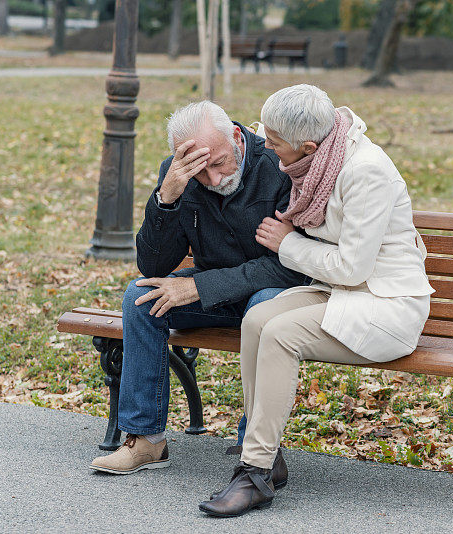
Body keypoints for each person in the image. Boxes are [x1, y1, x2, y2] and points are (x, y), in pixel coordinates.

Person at [199, 85, 434, 517]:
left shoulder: (366, 172)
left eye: (273, 142)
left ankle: (254, 471)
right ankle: (269, 455)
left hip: (387, 305)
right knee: (257, 321)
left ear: (307, 146)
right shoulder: (319, 163)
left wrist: (288, 244)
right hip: (345, 295)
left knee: (281, 334)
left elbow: (352, 268)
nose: (264, 146)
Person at [89, 101, 308, 475]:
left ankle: (254, 447)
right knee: (139, 298)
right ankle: (145, 441)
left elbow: (292, 266)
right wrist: (167, 197)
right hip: (216, 298)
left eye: (219, 162)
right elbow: (154, 266)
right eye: (198, 170)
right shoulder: (177, 174)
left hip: (270, 291)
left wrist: (198, 287)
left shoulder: (277, 167)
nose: (213, 178)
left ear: (237, 137)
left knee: (265, 306)